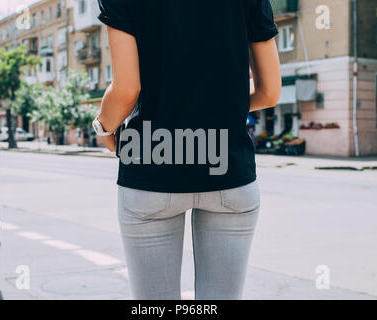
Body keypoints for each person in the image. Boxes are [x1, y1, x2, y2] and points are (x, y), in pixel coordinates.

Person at [94, 0, 281, 300]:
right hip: (228, 168)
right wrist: (219, 104)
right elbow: (270, 91)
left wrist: (103, 126)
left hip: (150, 162)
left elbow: (127, 90)